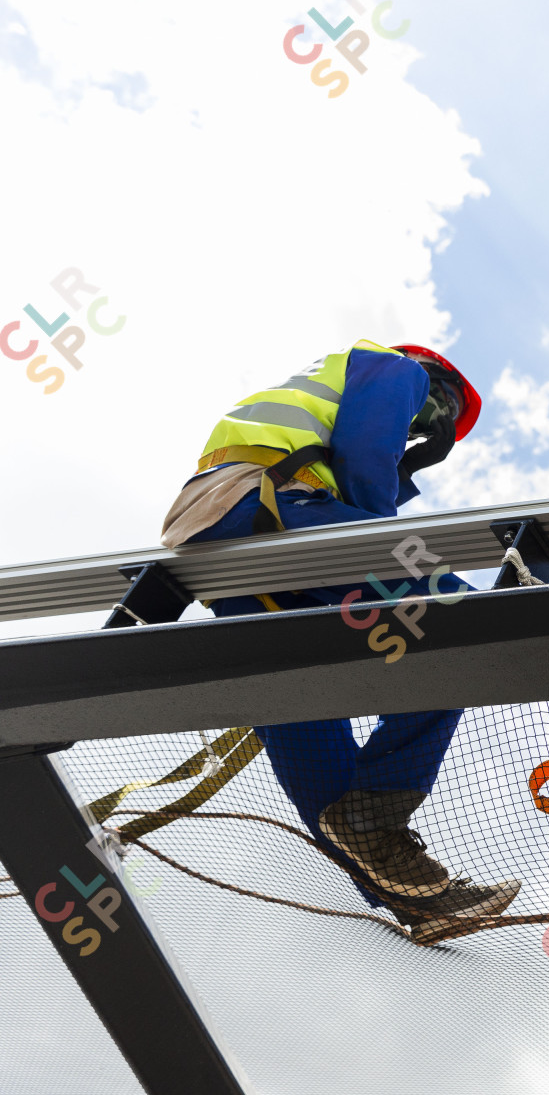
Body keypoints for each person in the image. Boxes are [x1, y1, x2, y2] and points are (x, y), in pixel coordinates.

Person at [159, 339, 520, 939]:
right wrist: (383, 545)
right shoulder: (393, 368)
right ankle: (377, 815)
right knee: (459, 626)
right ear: (437, 383)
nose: (435, 426)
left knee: (298, 702)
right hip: (268, 505)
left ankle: (408, 895)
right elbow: (366, 451)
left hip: (214, 532)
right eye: (447, 410)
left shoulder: (304, 404)